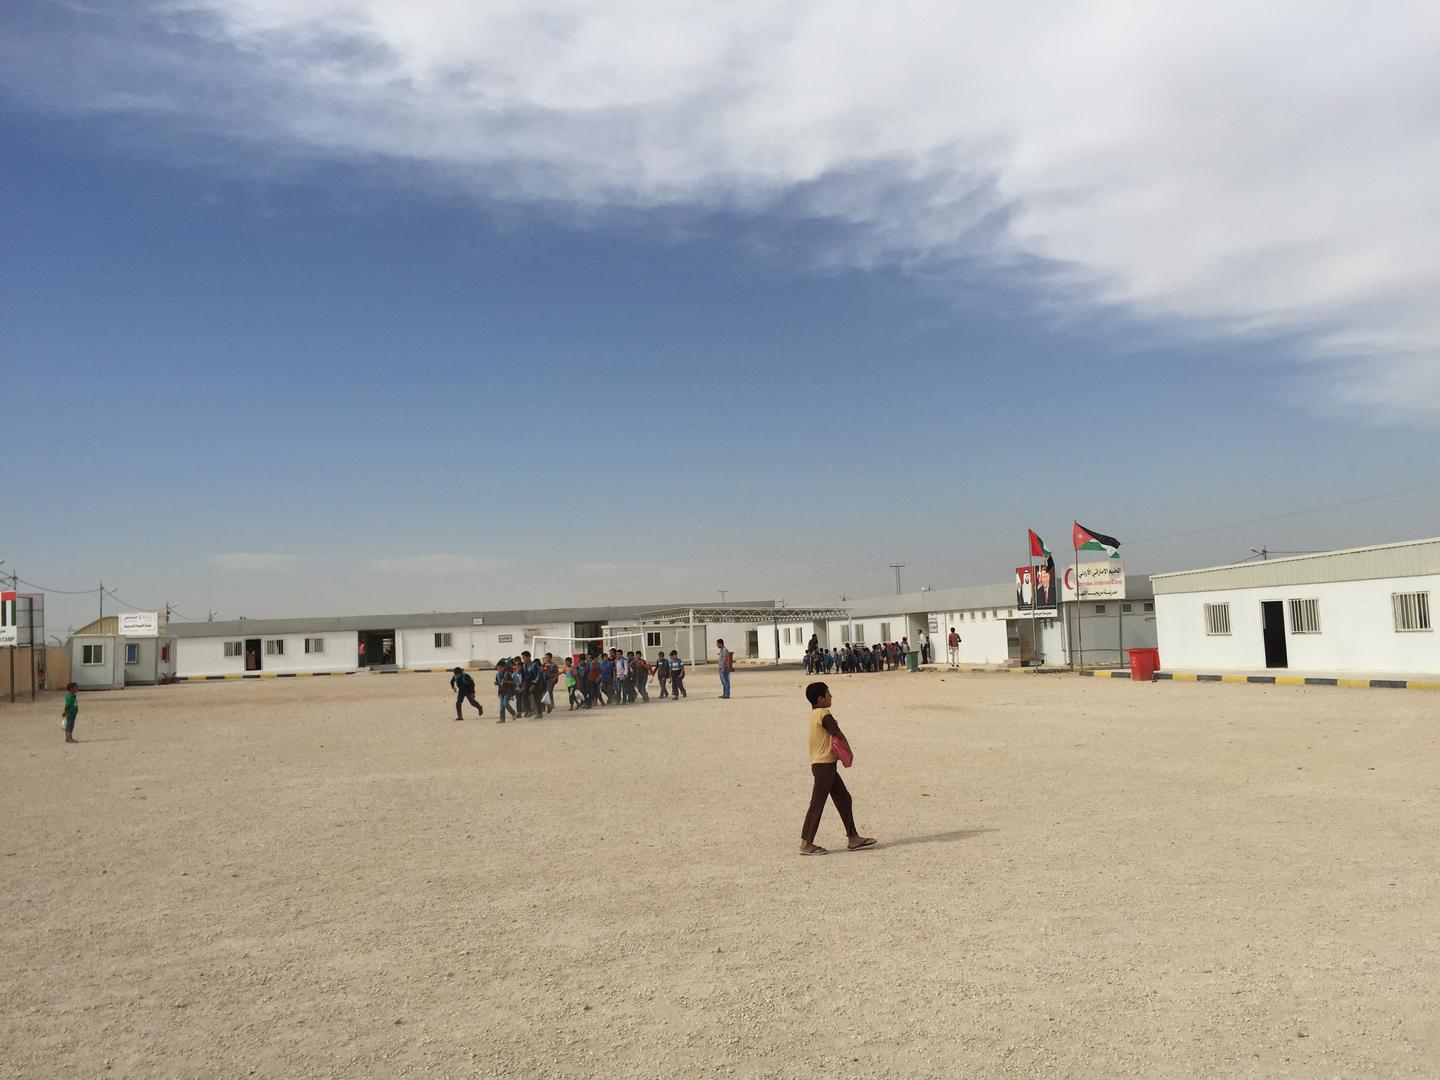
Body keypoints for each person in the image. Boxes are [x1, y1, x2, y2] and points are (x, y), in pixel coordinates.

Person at [800, 681, 876, 855]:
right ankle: (806, 843)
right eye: (828, 693)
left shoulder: (813, 714)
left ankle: (853, 837)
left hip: (824, 765)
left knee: (844, 798)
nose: (831, 696)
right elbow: (837, 732)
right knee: (817, 803)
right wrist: (848, 751)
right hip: (824, 765)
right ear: (820, 699)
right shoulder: (824, 712)